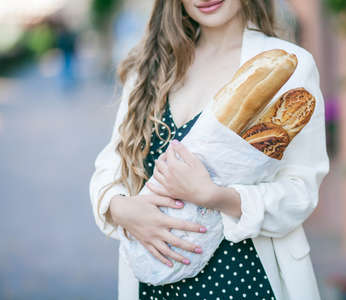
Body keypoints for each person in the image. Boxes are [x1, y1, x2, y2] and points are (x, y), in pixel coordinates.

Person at [89, 0, 330, 299]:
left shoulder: (286, 64)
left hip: (244, 281)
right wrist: (122, 209)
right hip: (154, 287)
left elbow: (300, 193)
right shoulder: (150, 68)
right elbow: (109, 169)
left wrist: (216, 197)